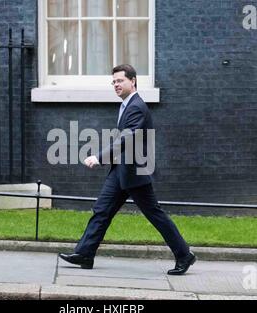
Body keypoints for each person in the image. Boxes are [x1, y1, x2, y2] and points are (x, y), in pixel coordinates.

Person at [59, 64, 196, 275]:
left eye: (120, 80)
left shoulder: (136, 106)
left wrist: (100, 156)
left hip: (135, 172)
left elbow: (128, 136)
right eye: (113, 82)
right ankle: (85, 253)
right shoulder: (126, 105)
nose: (116, 85)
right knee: (101, 210)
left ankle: (184, 255)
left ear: (133, 81)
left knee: (154, 215)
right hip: (121, 170)